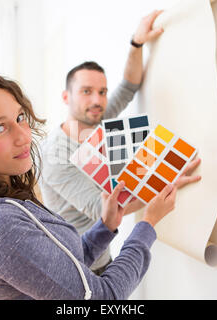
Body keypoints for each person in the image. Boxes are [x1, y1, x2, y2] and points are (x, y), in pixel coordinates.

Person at [0, 66, 201, 300]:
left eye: (20, 117)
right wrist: (148, 224)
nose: (24, 136)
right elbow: (103, 298)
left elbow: (65, 263)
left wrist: (106, 227)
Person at [39, 10, 165, 275]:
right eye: (86, 92)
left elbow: (129, 86)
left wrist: (137, 43)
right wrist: (166, 177)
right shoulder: (56, 155)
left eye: (102, 92)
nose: (97, 100)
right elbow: (105, 211)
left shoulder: (97, 122)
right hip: (77, 268)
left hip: (102, 257)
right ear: (66, 97)